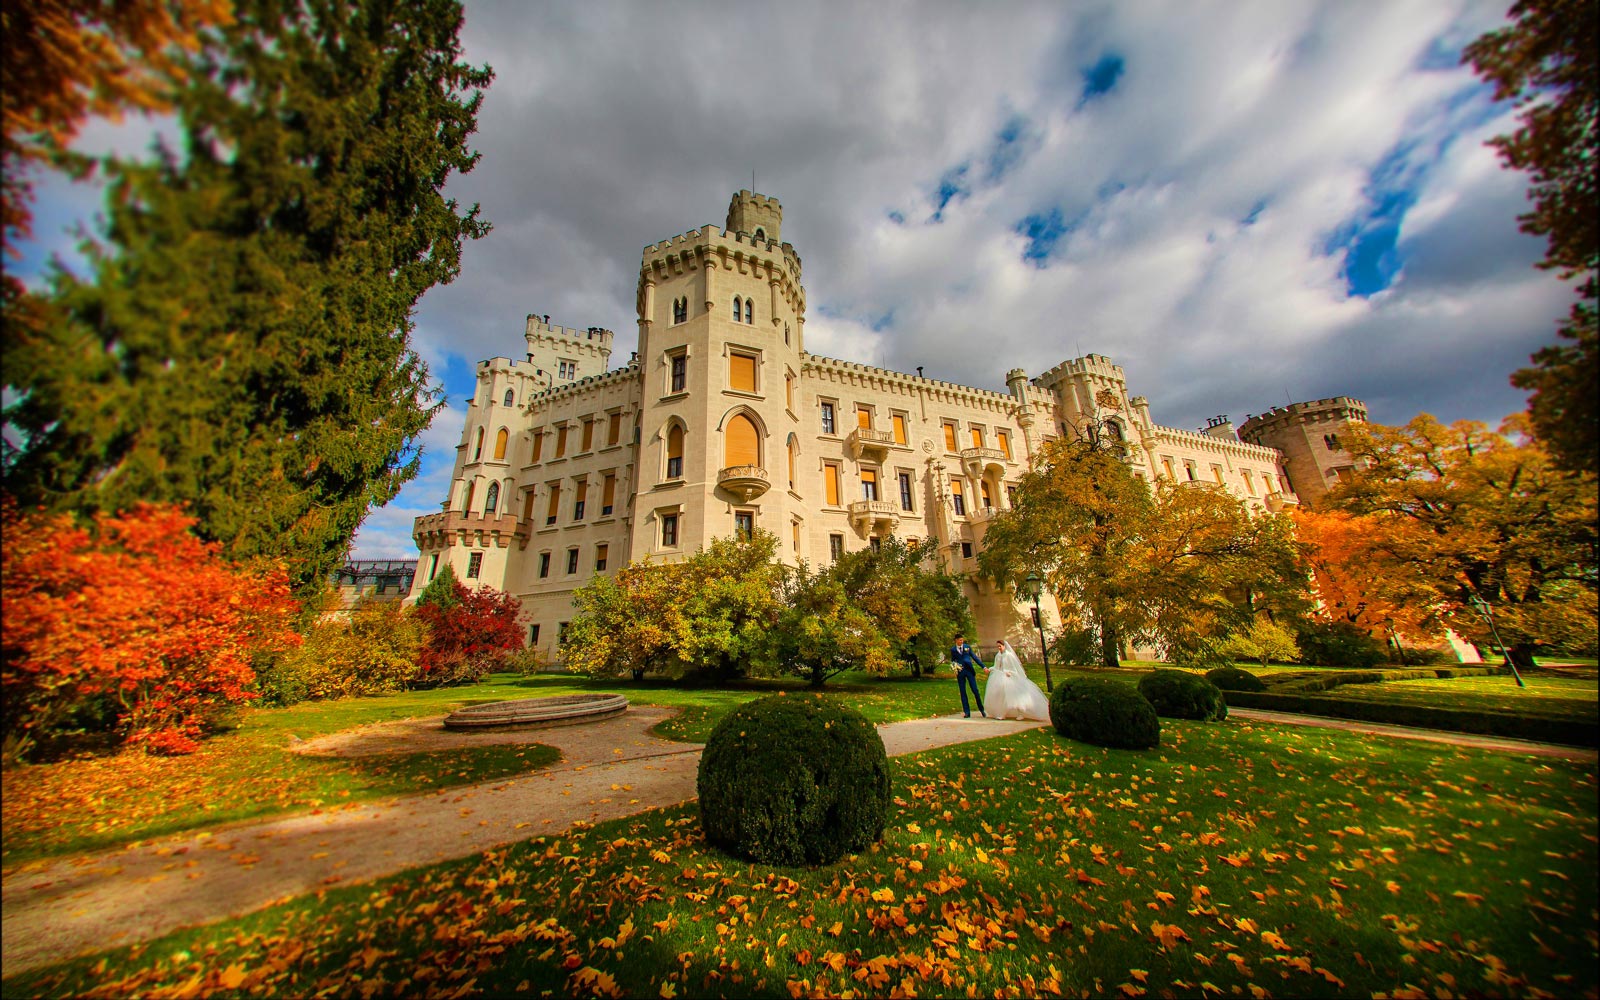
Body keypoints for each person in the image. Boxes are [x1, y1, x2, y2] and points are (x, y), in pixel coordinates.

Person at [983, 640, 1051, 721]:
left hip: (1010, 678)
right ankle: (1002, 713)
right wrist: (990, 669)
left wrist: (1010, 673)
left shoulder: (1009, 656)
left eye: (1000, 646)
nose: (999, 648)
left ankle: (1021, 713)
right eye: (997, 646)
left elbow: (1015, 668)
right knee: (1001, 695)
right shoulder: (998, 655)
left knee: (1015, 696)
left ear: (1004, 646)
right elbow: (996, 666)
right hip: (1000, 677)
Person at [950, 633, 986, 718]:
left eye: (962, 640)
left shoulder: (967, 647)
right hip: (960, 672)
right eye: (960, 640)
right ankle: (967, 712)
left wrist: (983, 666)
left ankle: (982, 709)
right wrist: (954, 667)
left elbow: (974, 657)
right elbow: (953, 660)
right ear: (956, 640)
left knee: (975, 690)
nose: (961, 641)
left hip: (969, 671)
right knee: (963, 691)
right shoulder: (953, 649)